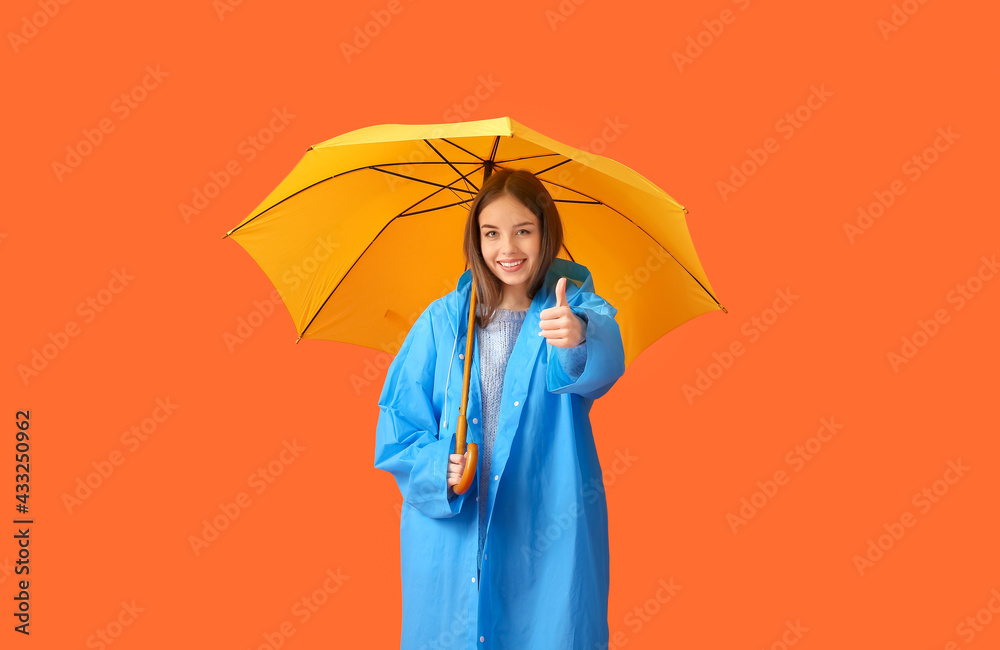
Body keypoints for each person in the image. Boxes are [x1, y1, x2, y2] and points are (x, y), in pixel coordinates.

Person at [373, 168, 626, 649]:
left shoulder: (571, 309)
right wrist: (435, 466)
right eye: (492, 233)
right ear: (476, 238)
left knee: (548, 629)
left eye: (523, 231)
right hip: (455, 524)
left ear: (545, 232)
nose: (507, 249)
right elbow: (399, 425)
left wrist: (578, 337)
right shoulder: (443, 321)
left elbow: (604, 362)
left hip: (544, 518)